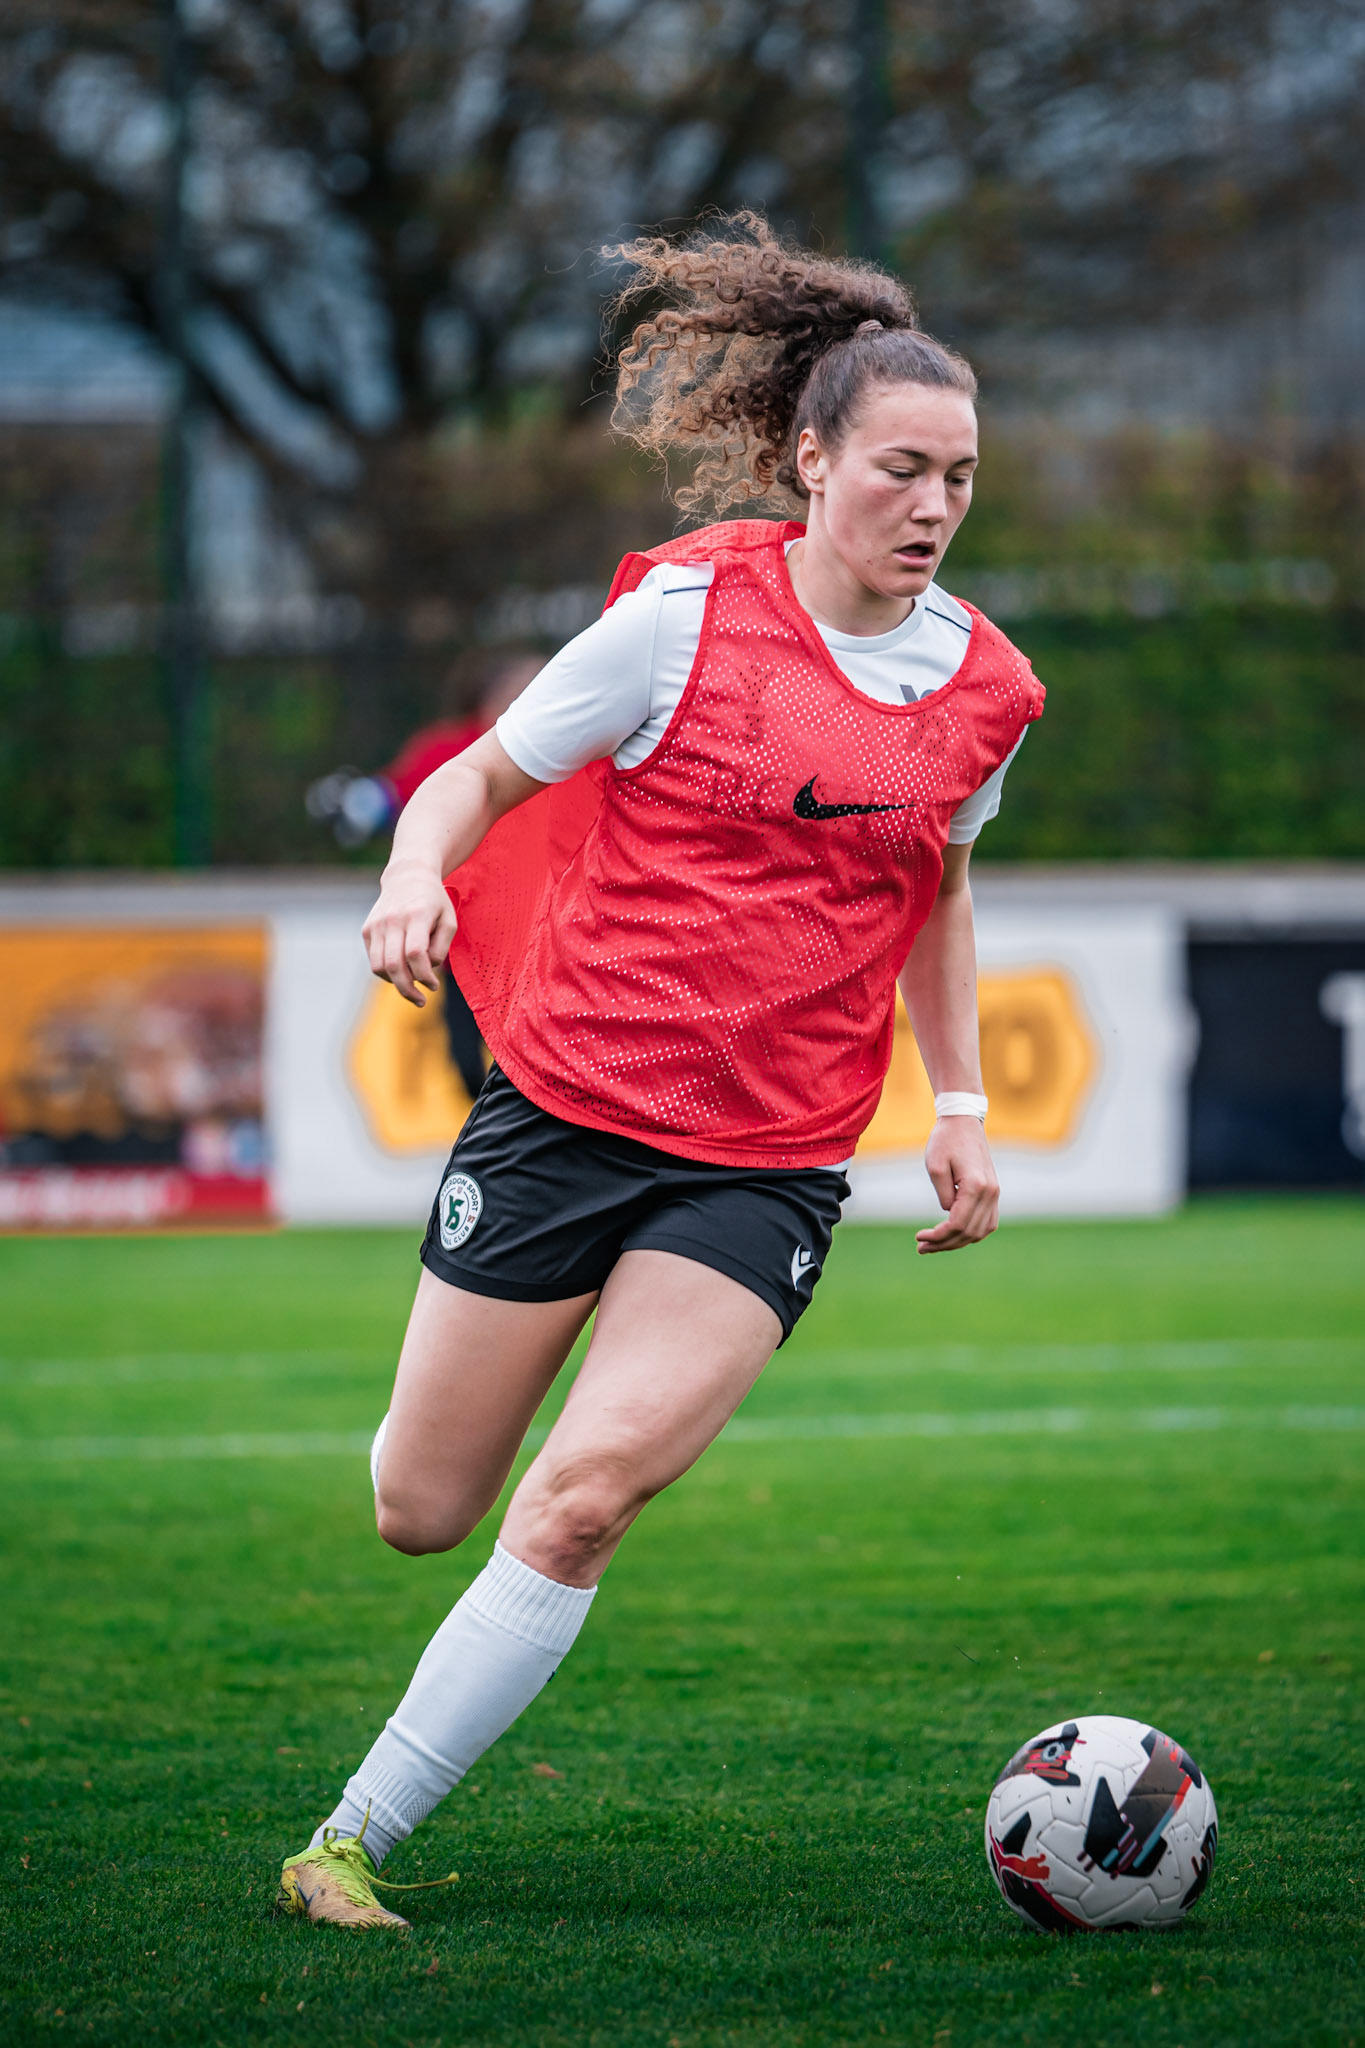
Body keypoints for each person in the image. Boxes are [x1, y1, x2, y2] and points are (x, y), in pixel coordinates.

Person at [274, 212, 1044, 1928]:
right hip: (558, 1111)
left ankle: (346, 1839)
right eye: (902, 470)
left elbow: (943, 892)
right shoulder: (680, 620)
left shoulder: (985, 689)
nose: (932, 509)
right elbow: (467, 786)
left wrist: (966, 1107)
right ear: (809, 457)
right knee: (422, 1503)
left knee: (585, 1493)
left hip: (766, 1162)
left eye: (963, 480)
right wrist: (413, 878)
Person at [304, 657, 542, 1098]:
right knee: (468, 1063)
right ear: (487, 698)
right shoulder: (454, 750)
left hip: (544, 935)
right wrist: (355, 803)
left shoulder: (569, 746)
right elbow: (395, 796)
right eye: (518, 686)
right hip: (469, 935)